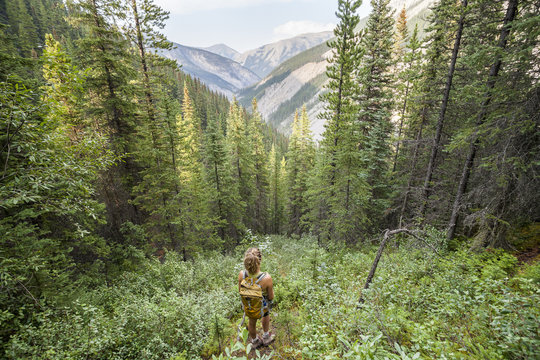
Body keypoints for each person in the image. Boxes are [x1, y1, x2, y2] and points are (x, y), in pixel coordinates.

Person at [238, 247, 275, 348]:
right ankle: (266, 336)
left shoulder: (242, 275)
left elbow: (240, 290)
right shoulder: (266, 278)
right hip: (261, 305)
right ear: (260, 260)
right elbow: (271, 297)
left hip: (249, 305)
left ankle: (255, 341)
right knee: (266, 315)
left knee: (251, 321)